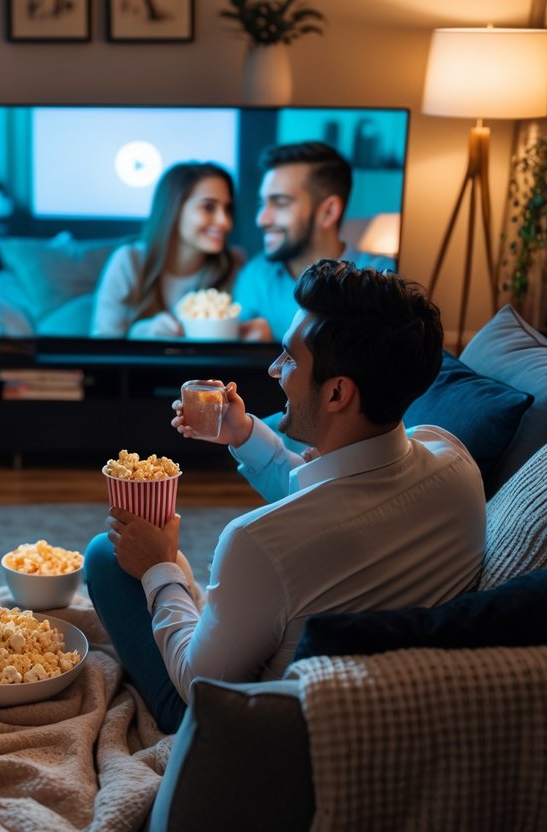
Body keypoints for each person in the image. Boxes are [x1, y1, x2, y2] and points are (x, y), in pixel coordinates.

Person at [85, 259, 485, 733]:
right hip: (387, 689)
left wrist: (159, 569)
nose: (274, 370)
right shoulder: (456, 464)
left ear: (337, 393)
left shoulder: (258, 544)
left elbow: (199, 687)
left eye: (290, 358)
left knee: (106, 555)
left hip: (251, 722)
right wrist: (244, 434)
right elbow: (332, 496)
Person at [233, 142, 396, 341]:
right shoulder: (254, 276)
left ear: (329, 211)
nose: (261, 219)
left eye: (280, 203)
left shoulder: (384, 278)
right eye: (263, 203)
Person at [90, 162, 246, 340]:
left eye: (228, 209)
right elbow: (103, 343)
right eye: (208, 207)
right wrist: (141, 334)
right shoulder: (129, 261)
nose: (225, 222)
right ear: (174, 208)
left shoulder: (234, 263)